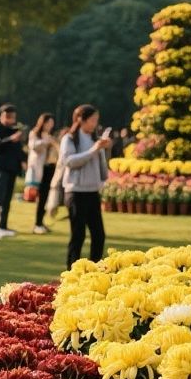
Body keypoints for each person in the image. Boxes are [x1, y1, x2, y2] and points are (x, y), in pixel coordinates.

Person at [60, 104, 112, 269]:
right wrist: (94, 149)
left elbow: (101, 165)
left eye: (97, 120)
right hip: (76, 192)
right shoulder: (69, 139)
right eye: (92, 120)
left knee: (99, 235)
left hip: (92, 192)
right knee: (78, 235)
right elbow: (69, 162)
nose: (95, 124)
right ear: (81, 120)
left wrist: (104, 149)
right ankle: (72, 272)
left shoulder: (94, 138)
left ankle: (94, 271)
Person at [0, 104, 25, 240]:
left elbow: (18, 148)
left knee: (7, 199)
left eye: (12, 117)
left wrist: (23, 161)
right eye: (7, 116)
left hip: (12, 168)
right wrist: (9, 140)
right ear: (1, 116)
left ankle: (2, 226)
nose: (10, 119)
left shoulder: (15, 129)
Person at [27, 113, 59, 235]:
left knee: (45, 197)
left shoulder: (49, 136)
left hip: (50, 168)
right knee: (41, 197)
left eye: (52, 123)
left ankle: (41, 222)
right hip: (40, 169)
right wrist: (45, 141)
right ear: (43, 123)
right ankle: (37, 224)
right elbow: (33, 147)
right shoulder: (34, 133)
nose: (50, 125)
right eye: (48, 123)